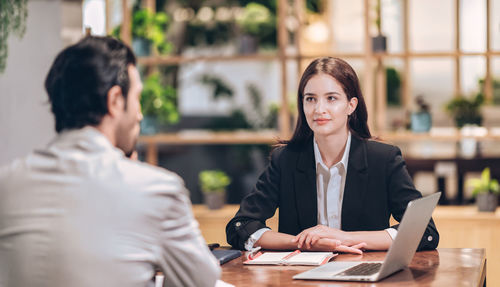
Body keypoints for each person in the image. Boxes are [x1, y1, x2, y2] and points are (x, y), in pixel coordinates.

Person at [0, 36, 220, 287]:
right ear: (115, 100)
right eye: (137, 98)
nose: (139, 114)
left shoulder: (6, 183)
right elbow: (199, 281)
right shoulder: (156, 189)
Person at [226, 57, 439, 253]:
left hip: (364, 277)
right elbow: (240, 226)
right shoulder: (286, 160)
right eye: (310, 99)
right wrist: (303, 242)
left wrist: (344, 238)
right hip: (300, 278)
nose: (319, 109)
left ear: (351, 105)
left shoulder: (383, 159)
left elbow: (424, 232)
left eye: (331, 98)